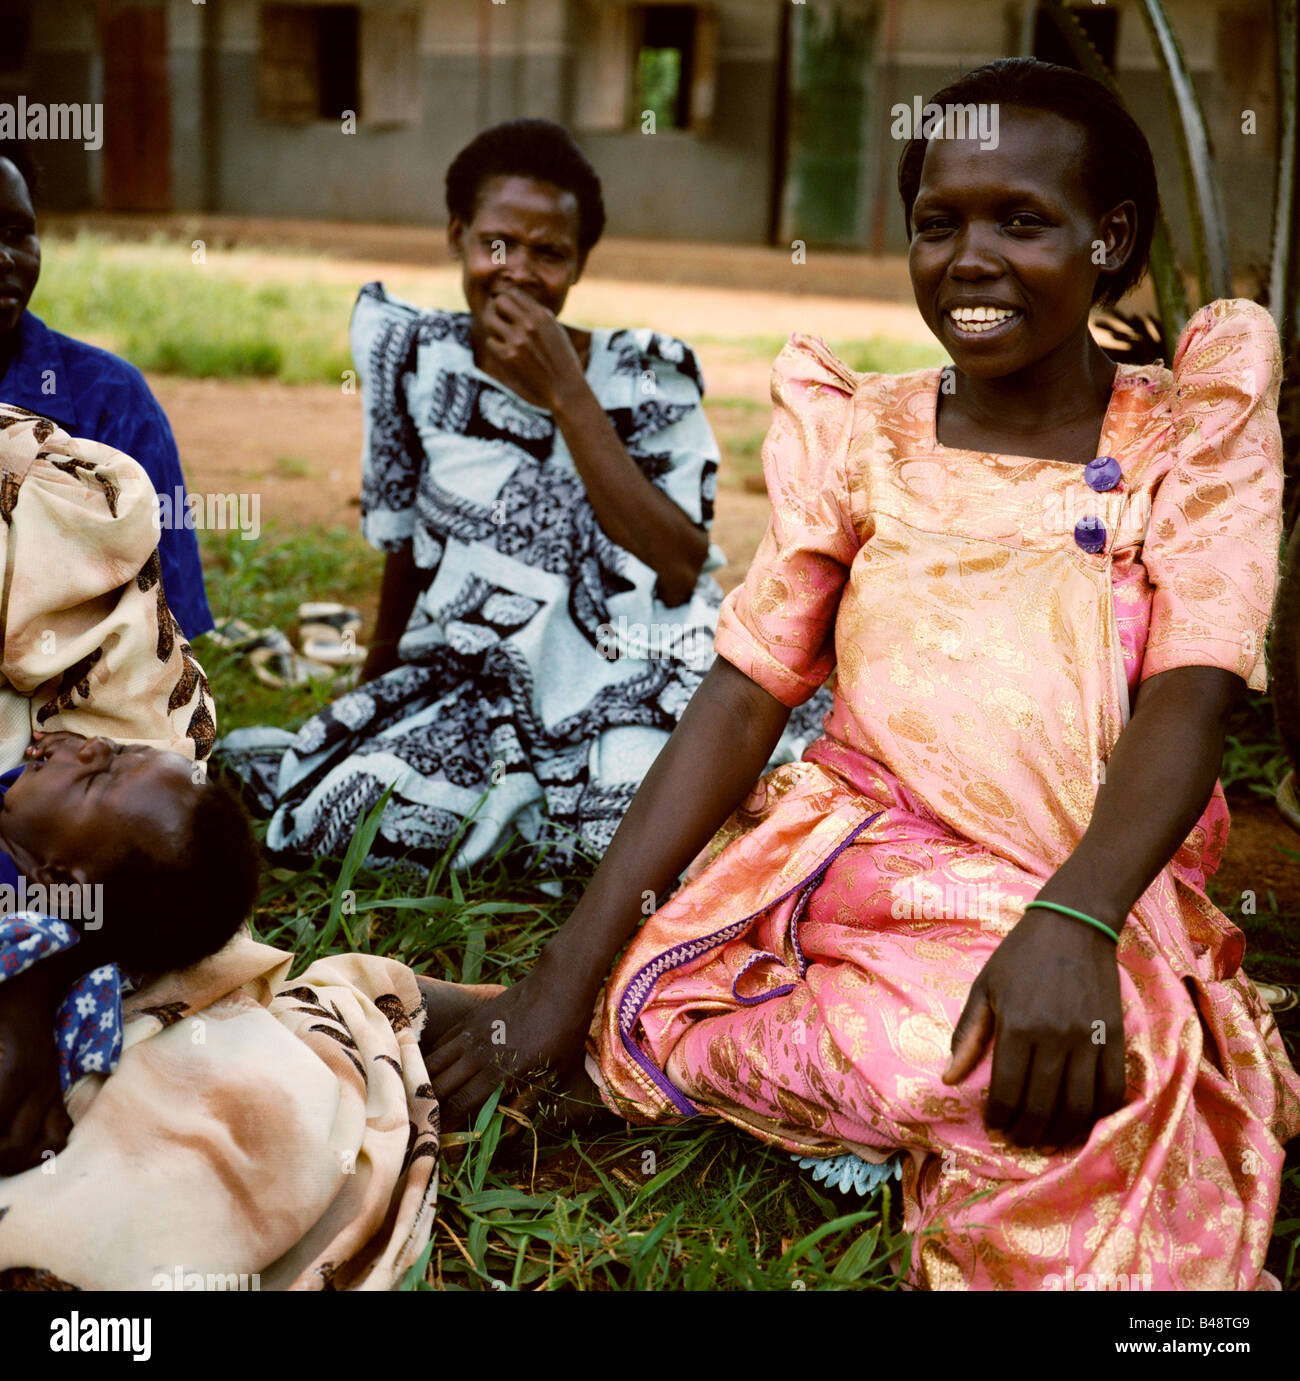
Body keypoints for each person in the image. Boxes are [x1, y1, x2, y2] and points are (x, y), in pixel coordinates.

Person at [423, 60, 1300, 1291]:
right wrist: (562, 968)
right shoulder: (864, 431)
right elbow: (743, 694)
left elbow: (1190, 694)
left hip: (1088, 877)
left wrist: (1076, 917)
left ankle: (701, 1037)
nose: (971, 258)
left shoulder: (1187, 430)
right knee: (972, 1059)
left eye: (1021, 220)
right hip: (867, 866)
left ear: (1109, 239)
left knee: (1095, 1057)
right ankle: (619, 1015)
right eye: (937, 223)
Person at [220, 118, 827, 875]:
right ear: (457, 235)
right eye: (498, 244)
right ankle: (527, 810)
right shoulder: (412, 355)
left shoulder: (646, 372)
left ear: (578, 266)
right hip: (476, 673)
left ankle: (557, 815)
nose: (519, 272)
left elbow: (678, 563)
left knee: (665, 823)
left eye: (551, 254)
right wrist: (369, 699)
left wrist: (567, 394)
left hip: (629, 668)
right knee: (348, 810)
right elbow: (405, 540)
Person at [0, 141, 213, 641]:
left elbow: (167, 620)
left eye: (17, 232)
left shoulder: (111, 400)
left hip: (76, 705)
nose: (5, 257)